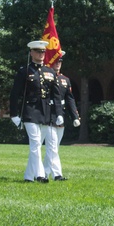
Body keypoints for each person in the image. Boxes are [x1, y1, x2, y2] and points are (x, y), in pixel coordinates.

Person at [9, 39, 57, 183]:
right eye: (37, 51)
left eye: (43, 51)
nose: (41, 54)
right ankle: (40, 174)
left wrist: (57, 114)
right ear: (31, 53)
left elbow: (54, 95)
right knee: (35, 143)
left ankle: (28, 176)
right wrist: (14, 115)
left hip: (45, 112)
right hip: (30, 110)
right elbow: (15, 94)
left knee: (37, 145)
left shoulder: (49, 71)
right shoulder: (24, 71)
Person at [48, 50, 80, 181]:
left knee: (54, 147)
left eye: (60, 61)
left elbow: (70, 99)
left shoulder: (65, 80)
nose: (58, 63)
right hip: (48, 114)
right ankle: (57, 174)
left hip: (61, 114)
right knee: (53, 146)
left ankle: (43, 173)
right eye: (55, 61)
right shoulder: (46, 78)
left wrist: (75, 117)